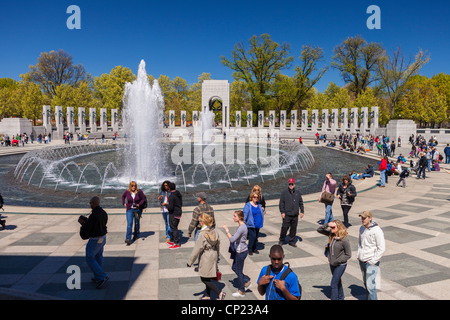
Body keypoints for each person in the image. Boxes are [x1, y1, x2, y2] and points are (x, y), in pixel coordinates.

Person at [187, 213, 225, 300]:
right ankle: (208, 295)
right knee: (208, 276)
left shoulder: (202, 234)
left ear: (203, 222)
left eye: (200, 221)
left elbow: (196, 249)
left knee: (204, 278)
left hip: (206, 256)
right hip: (214, 254)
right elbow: (218, 245)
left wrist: (190, 262)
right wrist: (217, 255)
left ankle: (220, 293)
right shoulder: (215, 231)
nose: (199, 223)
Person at [78, 196, 109, 289]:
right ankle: (97, 276)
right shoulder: (103, 212)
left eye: (91, 203)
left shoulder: (94, 214)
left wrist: (83, 223)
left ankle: (101, 277)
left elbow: (88, 229)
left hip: (95, 240)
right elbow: (100, 224)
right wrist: (88, 221)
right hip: (103, 238)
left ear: (95, 203)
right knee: (98, 256)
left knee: (89, 258)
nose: (90, 204)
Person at [317, 220, 352, 300]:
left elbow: (348, 254)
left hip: (340, 265)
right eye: (331, 227)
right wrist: (327, 224)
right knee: (337, 282)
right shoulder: (331, 235)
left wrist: (338, 260)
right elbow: (319, 230)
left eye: (333, 227)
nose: (331, 228)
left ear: (339, 228)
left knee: (333, 284)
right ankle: (341, 297)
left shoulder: (344, 240)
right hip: (332, 263)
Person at [357, 210, 385, 300]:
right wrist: (359, 255)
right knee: (366, 283)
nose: (362, 219)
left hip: (371, 262)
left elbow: (381, 248)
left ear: (370, 218)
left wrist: (372, 261)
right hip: (362, 260)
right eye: (362, 218)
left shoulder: (377, 230)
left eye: (364, 218)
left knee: (370, 286)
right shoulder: (361, 228)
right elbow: (360, 243)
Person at [223, 210, 251, 297]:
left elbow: (232, 239)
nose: (233, 217)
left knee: (238, 270)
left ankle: (242, 291)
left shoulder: (242, 227)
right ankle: (246, 281)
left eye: (235, 216)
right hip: (240, 251)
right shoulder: (241, 226)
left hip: (241, 252)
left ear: (239, 218)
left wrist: (227, 230)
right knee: (234, 267)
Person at [279, 178, 304, 247]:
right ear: (288, 184)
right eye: (289, 184)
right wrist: (282, 212)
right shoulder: (284, 193)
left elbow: (300, 202)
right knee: (284, 227)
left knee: (293, 228)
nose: (291, 185)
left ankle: (291, 241)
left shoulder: (297, 193)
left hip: (295, 214)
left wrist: (302, 211)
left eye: (292, 184)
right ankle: (281, 239)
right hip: (287, 214)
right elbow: (281, 203)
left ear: (294, 184)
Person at [164, 182, 183, 249]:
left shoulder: (171, 196)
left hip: (173, 213)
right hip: (178, 212)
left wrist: (166, 205)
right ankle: (172, 240)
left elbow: (171, 207)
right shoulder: (178, 193)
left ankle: (176, 243)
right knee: (174, 227)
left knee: (173, 228)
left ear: (169, 188)